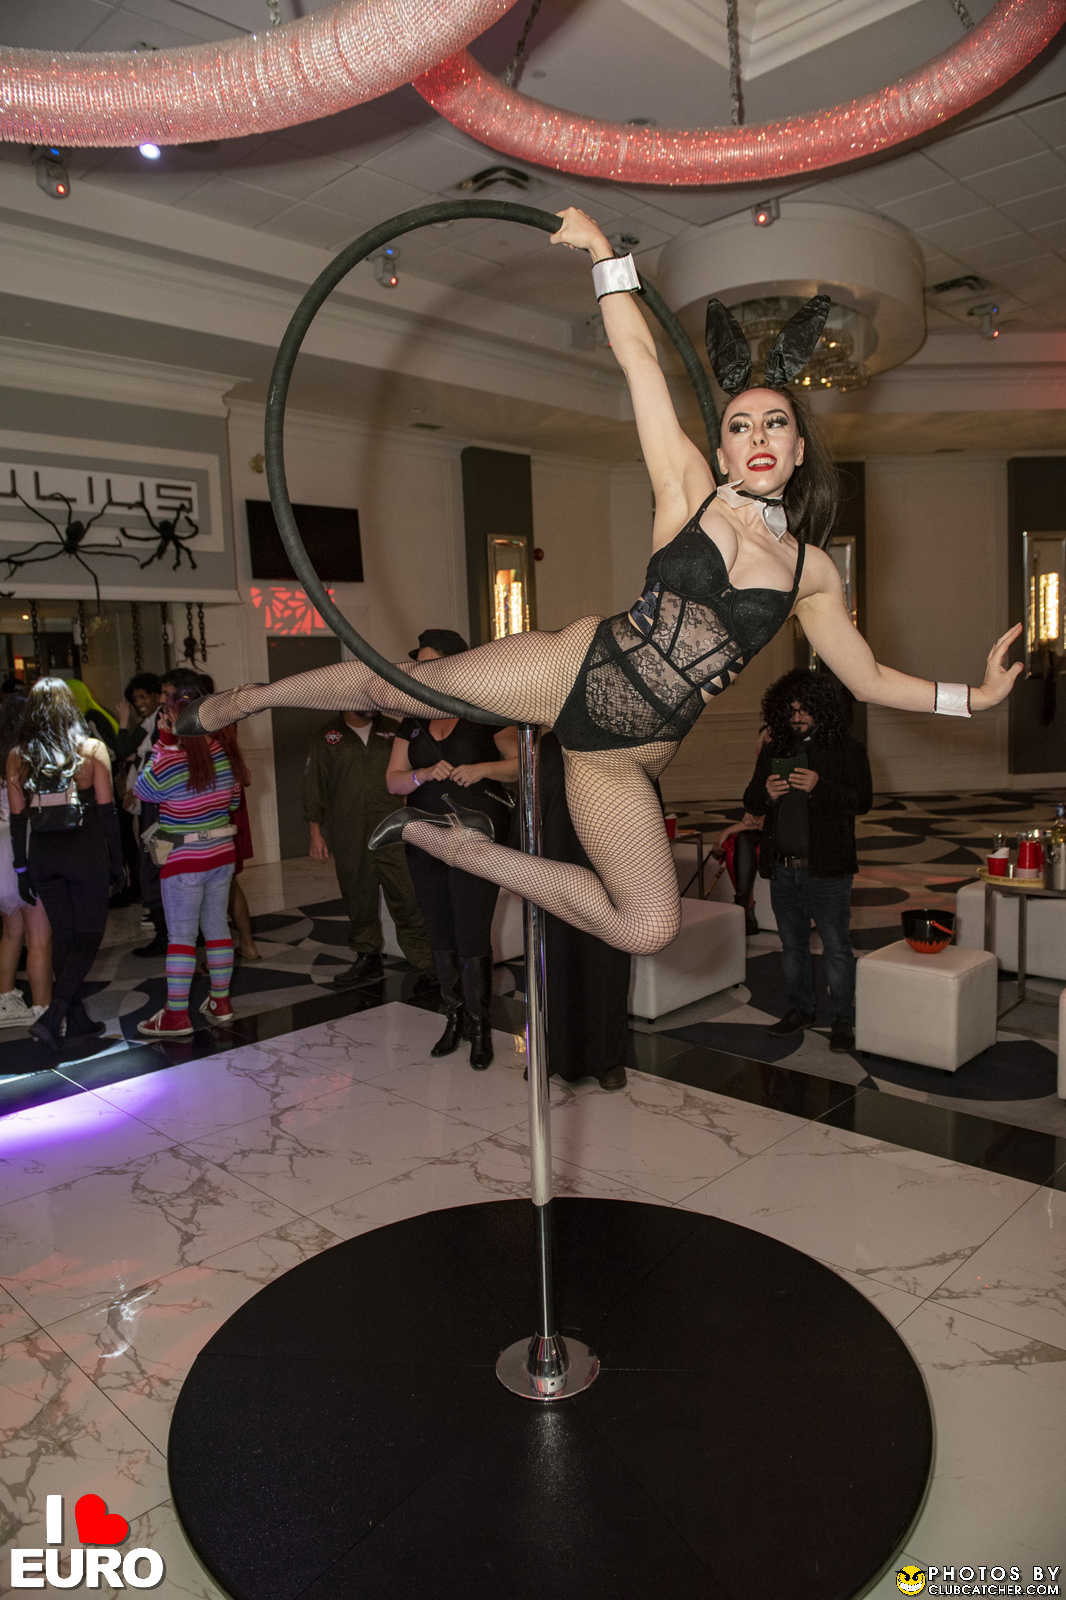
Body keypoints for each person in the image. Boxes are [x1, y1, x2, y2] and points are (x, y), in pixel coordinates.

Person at [177, 207, 1022, 956]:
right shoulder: (689, 491)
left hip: (622, 757)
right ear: (722, 445)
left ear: (800, 448)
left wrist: (974, 698)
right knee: (392, 685)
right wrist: (603, 258)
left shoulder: (812, 573)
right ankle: (245, 700)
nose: (759, 436)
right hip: (572, 667)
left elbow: (866, 678)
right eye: (741, 424)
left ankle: (463, 848)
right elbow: (641, 363)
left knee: (649, 927)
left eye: (776, 424)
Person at [386, 629, 518, 1069]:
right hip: (424, 837)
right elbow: (393, 781)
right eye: (418, 664)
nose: (420, 672)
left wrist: (481, 769)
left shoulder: (484, 713)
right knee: (439, 931)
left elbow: (521, 765)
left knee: (472, 933)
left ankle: (480, 1028)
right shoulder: (412, 719)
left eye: (429, 663)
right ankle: (454, 1018)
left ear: (455, 665)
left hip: (474, 840)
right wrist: (422, 774)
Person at [742, 669, 872, 1052]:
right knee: (792, 946)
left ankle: (842, 1019)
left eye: (805, 710)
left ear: (823, 710)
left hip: (827, 870)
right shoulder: (774, 749)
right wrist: (766, 794)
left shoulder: (848, 750)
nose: (797, 717)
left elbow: (862, 802)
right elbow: (750, 800)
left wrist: (819, 787)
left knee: (836, 947)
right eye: (791, 710)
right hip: (783, 868)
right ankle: (800, 1010)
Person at [7, 678, 124, 1050]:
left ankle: (77, 1021)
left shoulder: (17, 756)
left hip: (43, 857)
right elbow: (107, 813)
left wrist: (22, 868)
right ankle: (54, 1014)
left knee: (64, 936)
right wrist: (118, 862)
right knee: (89, 936)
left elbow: (18, 819)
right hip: (85, 854)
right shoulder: (91, 749)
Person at [134, 685, 242, 1036]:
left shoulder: (170, 759)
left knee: (181, 937)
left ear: (173, 719)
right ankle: (220, 1002)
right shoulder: (223, 753)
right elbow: (234, 803)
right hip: (221, 855)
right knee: (217, 927)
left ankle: (176, 1015)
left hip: (184, 859)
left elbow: (143, 790)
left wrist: (164, 744)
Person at [304, 706, 432, 988]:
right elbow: (314, 785)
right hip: (349, 830)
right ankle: (367, 956)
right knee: (358, 895)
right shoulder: (326, 737)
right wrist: (316, 833)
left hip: (394, 827)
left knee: (407, 895)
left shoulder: (395, 730)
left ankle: (424, 962)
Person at [0, 694, 51, 1029]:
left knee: (11, 932)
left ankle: (5, 999)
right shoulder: (25, 758)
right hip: (26, 845)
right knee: (39, 934)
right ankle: (42, 1009)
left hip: (1, 848)